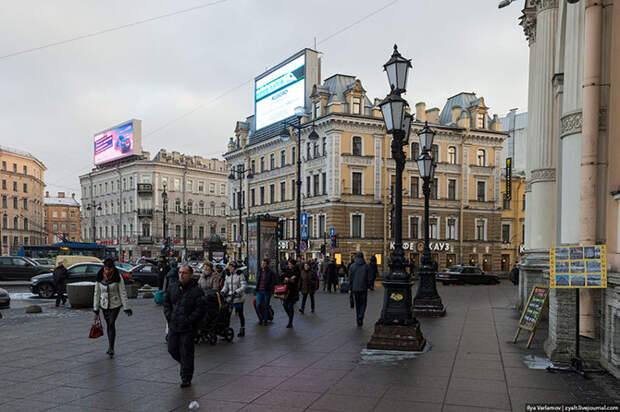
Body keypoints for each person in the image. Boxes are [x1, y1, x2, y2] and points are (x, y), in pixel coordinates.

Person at [163, 265, 205, 388]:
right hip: (174, 324)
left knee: (186, 352)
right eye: (180, 272)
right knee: (172, 349)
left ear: (190, 275)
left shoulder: (196, 291)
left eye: (184, 273)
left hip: (188, 327)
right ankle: (186, 365)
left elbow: (200, 309)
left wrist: (189, 320)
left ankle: (186, 377)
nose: (181, 275)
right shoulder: (173, 287)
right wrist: (169, 316)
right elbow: (166, 303)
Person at [93, 258, 132, 357]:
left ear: (113, 269)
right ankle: (110, 345)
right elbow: (97, 293)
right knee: (109, 325)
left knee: (111, 323)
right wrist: (96, 308)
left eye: (110, 269)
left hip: (115, 304)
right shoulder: (99, 276)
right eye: (106, 269)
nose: (108, 271)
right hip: (104, 304)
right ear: (104, 268)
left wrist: (126, 307)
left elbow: (122, 292)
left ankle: (111, 348)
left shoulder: (117, 276)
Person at [220, 262, 247, 337]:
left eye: (231, 267)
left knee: (240, 314)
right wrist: (222, 291)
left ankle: (242, 329)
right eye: (229, 267)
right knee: (227, 314)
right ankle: (226, 330)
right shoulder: (228, 275)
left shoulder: (240, 274)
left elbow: (244, 285)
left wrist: (236, 292)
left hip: (239, 298)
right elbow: (226, 286)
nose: (230, 268)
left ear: (234, 267)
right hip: (230, 298)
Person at [348, 252, 371, 327]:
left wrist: (350, 288)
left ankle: (358, 319)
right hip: (363, 288)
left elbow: (350, 278)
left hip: (355, 288)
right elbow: (369, 277)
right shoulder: (366, 266)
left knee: (357, 304)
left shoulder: (352, 266)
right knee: (363, 303)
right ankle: (361, 315)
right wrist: (368, 285)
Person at [255, 258, 276, 325]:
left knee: (266, 306)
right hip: (259, 291)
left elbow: (273, 282)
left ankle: (265, 320)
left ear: (267, 264)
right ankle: (261, 318)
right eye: (262, 263)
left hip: (266, 291)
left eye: (264, 264)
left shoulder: (270, 272)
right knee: (258, 305)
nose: (262, 265)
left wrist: (270, 288)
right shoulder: (259, 271)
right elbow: (258, 280)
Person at [280, 259, 300, 328]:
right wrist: (287, 279)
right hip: (285, 291)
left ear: (293, 265)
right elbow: (282, 278)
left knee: (290, 306)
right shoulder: (286, 270)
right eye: (289, 264)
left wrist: (288, 279)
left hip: (293, 292)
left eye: (291, 264)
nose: (289, 265)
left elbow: (295, 281)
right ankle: (290, 316)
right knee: (285, 305)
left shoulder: (296, 272)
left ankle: (290, 322)